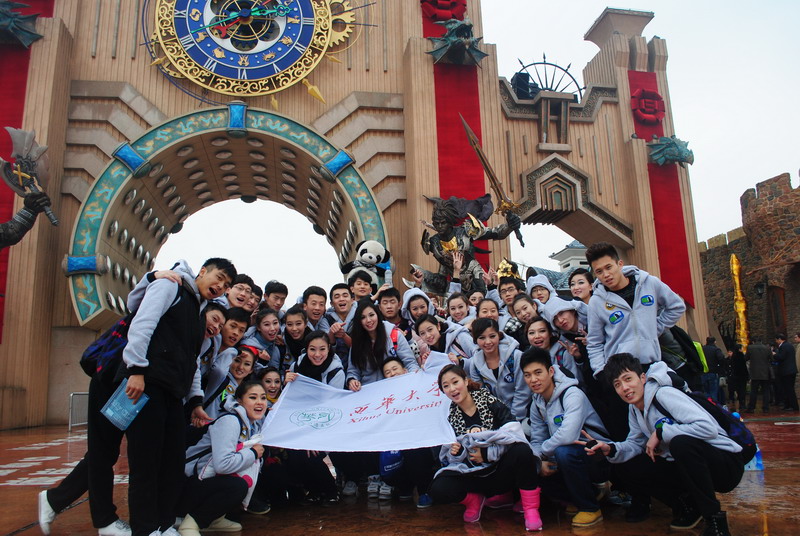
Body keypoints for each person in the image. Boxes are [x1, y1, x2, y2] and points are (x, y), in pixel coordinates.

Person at [118, 257, 236, 536]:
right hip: (147, 385)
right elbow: (142, 322)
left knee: (170, 462)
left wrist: (195, 401)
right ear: (203, 271)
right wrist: (136, 369)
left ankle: (162, 523)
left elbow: (191, 360)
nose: (220, 287)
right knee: (145, 461)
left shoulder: (199, 310)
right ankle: (144, 528)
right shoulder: (171, 286)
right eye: (218, 278)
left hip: (173, 394)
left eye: (226, 285)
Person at [584, 354, 744, 536]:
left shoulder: (664, 394)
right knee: (627, 465)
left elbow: (708, 428)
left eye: (628, 379)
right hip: (689, 465)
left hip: (725, 464)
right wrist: (610, 448)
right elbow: (635, 444)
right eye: (617, 384)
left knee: (681, 443)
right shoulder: (634, 409)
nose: (624, 388)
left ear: (642, 378)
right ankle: (688, 506)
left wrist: (661, 432)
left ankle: (714, 520)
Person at [584, 242, 685, 439]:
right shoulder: (597, 301)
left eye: (609, 267)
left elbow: (676, 306)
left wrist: (654, 328)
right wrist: (601, 371)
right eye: (599, 272)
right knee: (628, 432)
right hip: (619, 373)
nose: (606, 275)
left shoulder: (649, 283)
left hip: (650, 367)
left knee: (660, 424)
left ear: (620, 264)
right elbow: (595, 342)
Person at [429, 364, 542, 531]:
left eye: (455, 382)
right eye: (446, 386)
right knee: (439, 487)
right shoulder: (449, 417)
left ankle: (531, 510)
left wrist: (488, 452)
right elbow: (447, 458)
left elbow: (514, 433)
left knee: (522, 451)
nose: (452, 389)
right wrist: (458, 453)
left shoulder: (490, 402)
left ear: (465, 381)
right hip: (474, 474)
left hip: (500, 470)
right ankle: (474, 500)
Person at [523, 348, 610, 528]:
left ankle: (590, 507)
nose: (533, 379)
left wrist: (544, 451)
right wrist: (539, 461)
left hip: (597, 456)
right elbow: (537, 440)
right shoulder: (537, 403)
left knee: (564, 452)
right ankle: (581, 497)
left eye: (538, 372)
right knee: (531, 465)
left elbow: (568, 435)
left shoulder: (572, 394)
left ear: (551, 371)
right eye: (527, 375)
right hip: (564, 455)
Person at [178, 380, 267, 535]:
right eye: (253, 397)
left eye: (263, 398)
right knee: (237, 486)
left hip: (202, 484)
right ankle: (191, 524)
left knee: (241, 481)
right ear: (239, 401)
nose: (259, 402)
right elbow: (223, 465)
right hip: (185, 485)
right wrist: (252, 453)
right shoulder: (230, 421)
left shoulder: (252, 425)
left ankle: (215, 518)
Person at [378, 357, 437, 508]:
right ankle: (404, 487)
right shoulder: (383, 399)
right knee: (386, 458)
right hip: (395, 444)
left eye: (395, 369)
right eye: (387, 372)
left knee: (415, 453)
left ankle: (424, 491)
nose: (392, 374)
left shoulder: (419, 389)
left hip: (420, 443)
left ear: (405, 371)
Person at [468, 318, 529, 420]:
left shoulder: (515, 356)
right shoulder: (475, 364)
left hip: (523, 414)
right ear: (475, 340)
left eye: (492, 336)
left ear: (499, 335)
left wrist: (514, 418)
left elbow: (522, 390)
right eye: (482, 338)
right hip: (496, 416)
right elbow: (481, 395)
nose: (488, 342)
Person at [202, 346, 257, 420]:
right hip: (204, 424)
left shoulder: (246, 391)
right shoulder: (219, 379)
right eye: (237, 360)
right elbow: (219, 369)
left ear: (251, 370)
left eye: (247, 364)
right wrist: (234, 351)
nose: (241, 367)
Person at [525, 316, 580, 382]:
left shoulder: (563, 355)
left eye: (542, 331)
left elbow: (576, 381)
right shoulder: (526, 359)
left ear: (550, 333)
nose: (537, 336)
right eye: (531, 333)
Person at [281, 304, 312, 374]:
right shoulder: (280, 343)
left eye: (298, 324)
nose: (294, 328)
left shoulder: (315, 342)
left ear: (305, 324)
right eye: (289, 324)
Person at [744, 340, 772, 413]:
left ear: (753, 341)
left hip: (755, 373)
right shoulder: (767, 348)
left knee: (754, 391)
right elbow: (771, 358)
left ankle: (751, 407)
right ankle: (766, 408)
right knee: (766, 391)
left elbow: (746, 358)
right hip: (765, 373)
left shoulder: (750, 348)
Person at [774, 333, 799, 411]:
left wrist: (774, 354)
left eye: (776, 340)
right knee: (787, 389)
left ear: (779, 339)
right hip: (790, 371)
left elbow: (781, 357)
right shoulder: (789, 345)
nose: (776, 342)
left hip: (787, 371)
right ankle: (788, 405)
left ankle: (793, 406)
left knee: (789, 389)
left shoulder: (784, 346)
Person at [701, 337, 725, 403]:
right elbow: (721, 358)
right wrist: (720, 366)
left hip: (704, 372)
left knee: (705, 391)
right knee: (713, 391)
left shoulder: (702, 349)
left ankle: (707, 404)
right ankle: (714, 404)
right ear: (714, 342)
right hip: (713, 372)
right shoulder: (716, 349)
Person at [726, 346, 748, 412]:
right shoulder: (741, 356)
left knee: (738, 390)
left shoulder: (733, 357)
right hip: (742, 376)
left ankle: (738, 403)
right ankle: (742, 405)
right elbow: (744, 367)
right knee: (742, 391)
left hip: (735, 376)